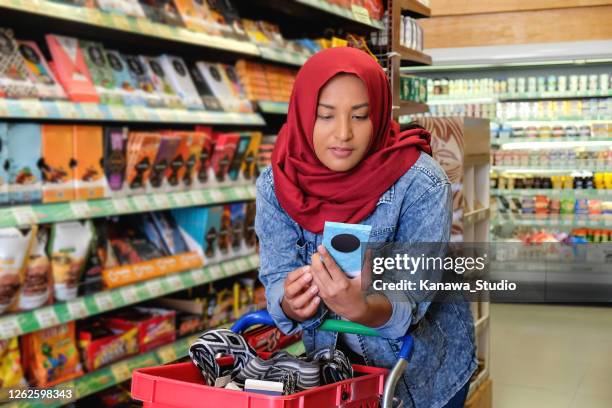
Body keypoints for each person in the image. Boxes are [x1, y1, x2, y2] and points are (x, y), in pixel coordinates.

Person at [255, 47, 476, 408]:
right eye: (325, 116)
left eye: (360, 116)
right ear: (301, 114)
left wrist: (362, 306)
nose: (343, 133)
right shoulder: (277, 183)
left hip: (420, 377)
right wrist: (291, 303)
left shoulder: (421, 183)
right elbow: (277, 277)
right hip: (334, 375)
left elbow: (411, 299)